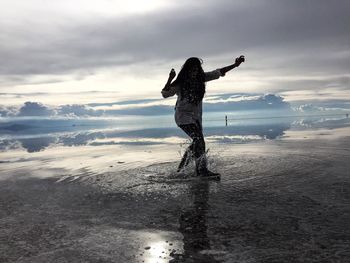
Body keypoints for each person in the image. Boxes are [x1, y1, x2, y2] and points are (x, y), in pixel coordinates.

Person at [161, 56, 245, 178]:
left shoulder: (202, 78)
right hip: (183, 117)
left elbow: (219, 72)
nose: (194, 71)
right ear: (187, 70)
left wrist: (235, 65)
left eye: (196, 69)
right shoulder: (180, 82)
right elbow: (165, 94)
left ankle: (182, 169)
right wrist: (170, 78)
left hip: (196, 117)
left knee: (197, 142)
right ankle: (202, 171)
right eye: (192, 69)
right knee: (199, 141)